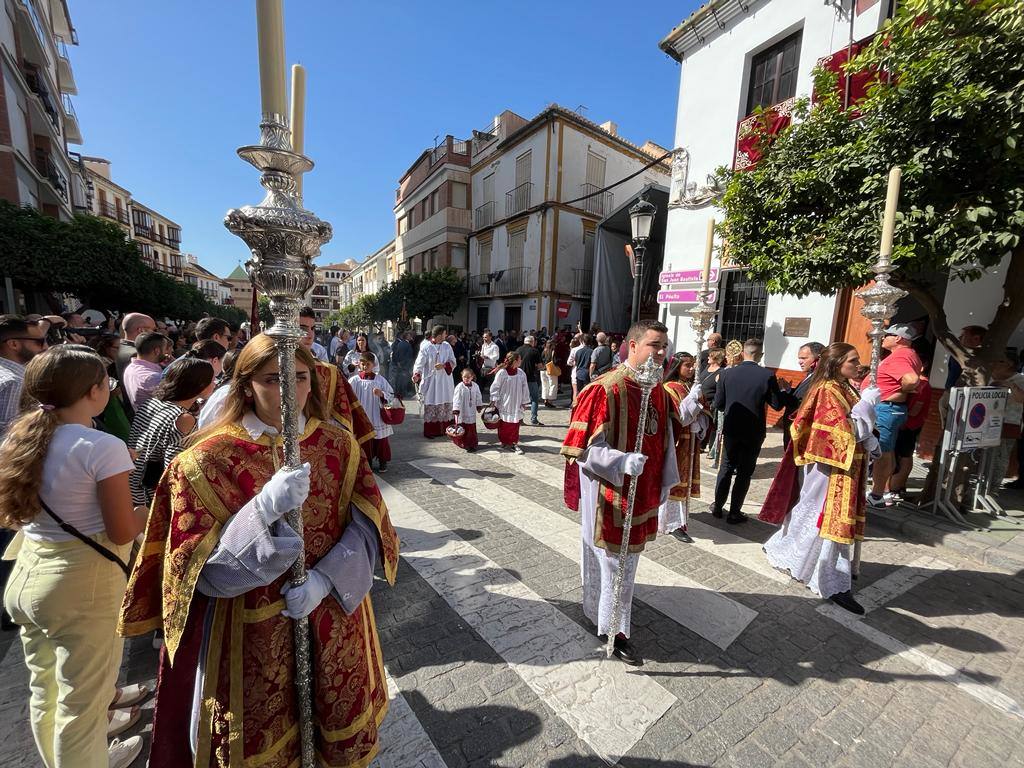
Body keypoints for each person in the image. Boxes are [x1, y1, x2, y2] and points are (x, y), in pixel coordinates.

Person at [118, 334, 400, 768]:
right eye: (274, 379)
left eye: (301, 377)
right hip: (247, 628)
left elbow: (366, 529)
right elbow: (198, 573)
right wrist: (263, 508)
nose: (291, 391)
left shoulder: (338, 445)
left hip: (332, 615)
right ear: (247, 385)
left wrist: (325, 580)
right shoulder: (205, 459)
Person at [1, 346, 148, 768]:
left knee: (46, 691)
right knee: (83, 706)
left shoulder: (20, 437)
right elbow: (122, 529)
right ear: (94, 391)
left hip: (29, 573)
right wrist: (149, 510)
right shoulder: (100, 445)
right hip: (80, 585)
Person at [561, 319, 681, 666]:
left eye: (663, 346)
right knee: (614, 566)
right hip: (610, 495)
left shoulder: (656, 389)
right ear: (632, 346)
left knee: (626, 567)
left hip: (643, 494)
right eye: (653, 345)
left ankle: (606, 615)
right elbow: (581, 449)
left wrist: (663, 480)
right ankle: (617, 630)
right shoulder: (605, 389)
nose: (660, 352)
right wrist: (620, 460)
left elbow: (665, 441)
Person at [760, 343, 881, 615]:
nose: (857, 364)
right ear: (836, 363)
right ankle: (833, 582)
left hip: (847, 467)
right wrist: (866, 406)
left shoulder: (846, 387)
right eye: (852, 360)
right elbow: (838, 433)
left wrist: (871, 436)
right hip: (831, 469)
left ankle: (789, 552)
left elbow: (857, 428)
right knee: (823, 519)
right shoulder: (827, 390)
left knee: (815, 518)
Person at [712, 338, 784, 524]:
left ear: (743, 353)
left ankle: (718, 507)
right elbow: (776, 405)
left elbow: (718, 404)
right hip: (754, 431)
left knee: (726, 467)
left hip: (732, 428)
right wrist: (783, 391)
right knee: (745, 471)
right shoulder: (766, 375)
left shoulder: (727, 374)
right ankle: (735, 511)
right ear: (760, 355)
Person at [129, 357, 216, 507]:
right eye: (212, 380)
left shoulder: (151, 403)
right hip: (150, 498)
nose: (215, 384)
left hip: (131, 484)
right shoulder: (183, 419)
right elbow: (176, 470)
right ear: (200, 385)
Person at [865, 324, 922, 508]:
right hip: (888, 408)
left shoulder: (902, 354)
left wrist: (899, 391)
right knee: (886, 451)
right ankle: (881, 491)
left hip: (886, 408)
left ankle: (877, 495)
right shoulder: (907, 355)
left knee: (882, 452)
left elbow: (912, 380)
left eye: (887, 335)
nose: (883, 338)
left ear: (898, 338)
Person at [659, 352, 707, 544]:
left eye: (693, 365)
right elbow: (680, 416)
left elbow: (703, 411)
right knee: (675, 481)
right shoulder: (670, 387)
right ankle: (671, 522)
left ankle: (679, 520)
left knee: (685, 480)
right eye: (687, 365)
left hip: (691, 440)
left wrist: (701, 417)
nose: (692, 368)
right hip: (676, 442)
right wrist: (692, 401)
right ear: (676, 366)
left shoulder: (689, 385)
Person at [888, 348, 933, 500]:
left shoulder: (922, 385)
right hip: (906, 425)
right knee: (902, 456)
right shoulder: (919, 383)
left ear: (922, 365)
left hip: (907, 426)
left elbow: (915, 409)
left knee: (903, 457)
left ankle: (895, 488)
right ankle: (897, 487)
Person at [0, 315, 50, 435]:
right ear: (14, 344)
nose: (46, 347)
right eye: (39, 342)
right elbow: (8, 436)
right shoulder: (14, 383)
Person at [348, 352, 396, 472]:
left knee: (381, 439)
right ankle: (366, 460)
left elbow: (391, 394)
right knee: (364, 439)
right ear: (359, 364)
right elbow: (347, 395)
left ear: (373, 364)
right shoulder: (354, 380)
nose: (365, 366)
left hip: (377, 414)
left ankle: (382, 461)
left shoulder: (380, 380)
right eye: (362, 364)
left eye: (368, 364)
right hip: (362, 414)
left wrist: (382, 394)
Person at [412, 325, 456, 438]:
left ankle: (446, 430)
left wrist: (444, 365)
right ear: (439, 335)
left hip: (445, 382)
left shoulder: (447, 346)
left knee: (445, 402)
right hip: (432, 381)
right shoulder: (426, 347)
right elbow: (419, 363)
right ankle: (430, 431)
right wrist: (417, 375)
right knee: (431, 401)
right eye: (444, 334)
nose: (446, 336)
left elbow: (453, 361)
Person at [780, 342, 825, 448]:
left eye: (804, 358)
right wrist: (789, 389)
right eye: (799, 358)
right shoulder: (810, 374)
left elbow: (800, 403)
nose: (800, 362)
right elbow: (800, 395)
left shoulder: (819, 379)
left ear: (817, 359)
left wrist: (782, 391)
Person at [991, 357, 1024, 491]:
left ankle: (993, 489)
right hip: (986, 423)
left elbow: (1021, 399)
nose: (993, 364)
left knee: (1000, 457)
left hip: (1009, 424)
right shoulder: (989, 377)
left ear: (1008, 364)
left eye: (998, 361)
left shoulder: (1021, 379)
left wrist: (1009, 385)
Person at [490, 352, 531, 454]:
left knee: (515, 424)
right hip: (504, 402)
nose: (521, 361)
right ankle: (504, 441)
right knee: (503, 424)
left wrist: (524, 402)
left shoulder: (521, 373)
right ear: (515, 361)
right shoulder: (502, 373)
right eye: (520, 359)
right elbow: (495, 386)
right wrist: (494, 399)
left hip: (516, 402)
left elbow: (525, 388)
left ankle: (513, 443)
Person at [123, 331, 172, 410]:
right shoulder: (153, 377)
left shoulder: (130, 367)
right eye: (166, 348)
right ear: (157, 351)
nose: (169, 352)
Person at [701, 349, 726, 464]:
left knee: (712, 427)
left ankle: (712, 449)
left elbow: (720, 391)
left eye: (710, 357)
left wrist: (714, 404)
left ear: (716, 358)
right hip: (700, 402)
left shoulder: (721, 372)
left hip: (711, 404)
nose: (708, 358)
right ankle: (701, 445)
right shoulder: (706, 368)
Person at [115, 313, 156, 382]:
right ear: (142, 330)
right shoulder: (137, 353)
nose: (155, 334)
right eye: (154, 330)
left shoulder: (119, 347)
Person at [452, 368, 483, 452]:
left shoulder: (475, 386)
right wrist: (456, 409)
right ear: (462, 377)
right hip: (462, 411)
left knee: (471, 427)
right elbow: (456, 399)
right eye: (464, 377)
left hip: (471, 410)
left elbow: (478, 396)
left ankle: (473, 443)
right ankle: (464, 443)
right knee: (463, 427)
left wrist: (479, 405)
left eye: (468, 377)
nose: (466, 379)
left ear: (472, 377)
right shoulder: (459, 387)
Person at [516, 335, 544, 426]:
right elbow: (540, 366)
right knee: (534, 399)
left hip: (518, 377)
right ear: (532, 342)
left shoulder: (518, 350)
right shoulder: (534, 351)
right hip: (530, 377)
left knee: (519, 399)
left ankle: (519, 419)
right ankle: (534, 419)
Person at [389, 332, 414, 398]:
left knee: (399, 379)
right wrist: (406, 364)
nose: (410, 336)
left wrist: (398, 362)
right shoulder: (407, 344)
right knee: (404, 379)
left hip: (400, 364)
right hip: (405, 365)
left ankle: (398, 392)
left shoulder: (400, 343)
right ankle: (403, 393)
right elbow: (408, 356)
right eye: (409, 335)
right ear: (406, 337)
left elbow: (396, 354)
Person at [573, 334, 595, 404]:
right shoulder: (592, 351)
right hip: (587, 373)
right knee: (587, 392)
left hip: (579, 372)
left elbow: (576, 363)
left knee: (579, 392)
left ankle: (578, 405)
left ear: (582, 341)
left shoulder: (578, 351)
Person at [540, 338, 559, 408]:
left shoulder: (544, 351)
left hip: (542, 370)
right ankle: (550, 401)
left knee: (545, 385)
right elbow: (555, 361)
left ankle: (545, 400)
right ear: (552, 344)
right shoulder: (553, 351)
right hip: (550, 369)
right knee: (553, 385)